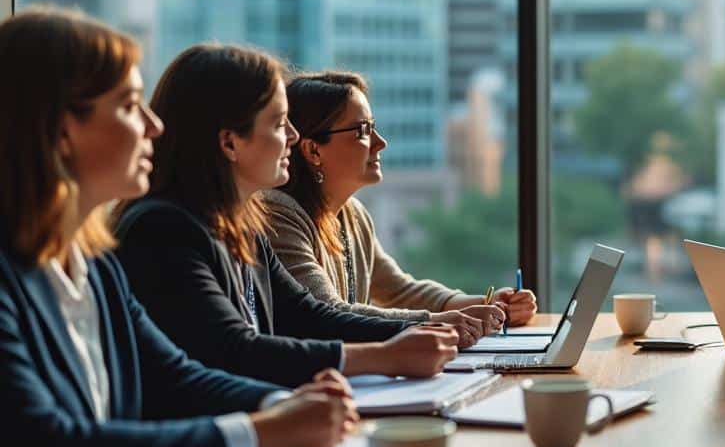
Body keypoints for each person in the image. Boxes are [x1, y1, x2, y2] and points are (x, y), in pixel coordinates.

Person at [0, 8, 356, 447]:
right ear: (62, 129)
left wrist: (281, 405)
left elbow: (175, 375)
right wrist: (257, 434)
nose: (153, 125)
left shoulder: (96, 266)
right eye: (127, 106)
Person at [114, 44, 495, 388]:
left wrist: (422, 327)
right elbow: (234, 350)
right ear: (230, 142)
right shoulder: (163, 229)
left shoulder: (244, 222)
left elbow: (308, 316)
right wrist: (387, 352)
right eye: (280, 123)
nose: (294, 137)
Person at [261, 71, 537, 325]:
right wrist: (439, 321)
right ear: (312, 150)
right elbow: (328, 313)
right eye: (363, 131)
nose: (381, 142)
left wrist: (489, 304)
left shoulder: (351, 213)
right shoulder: (278, 216)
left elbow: (399, 289)